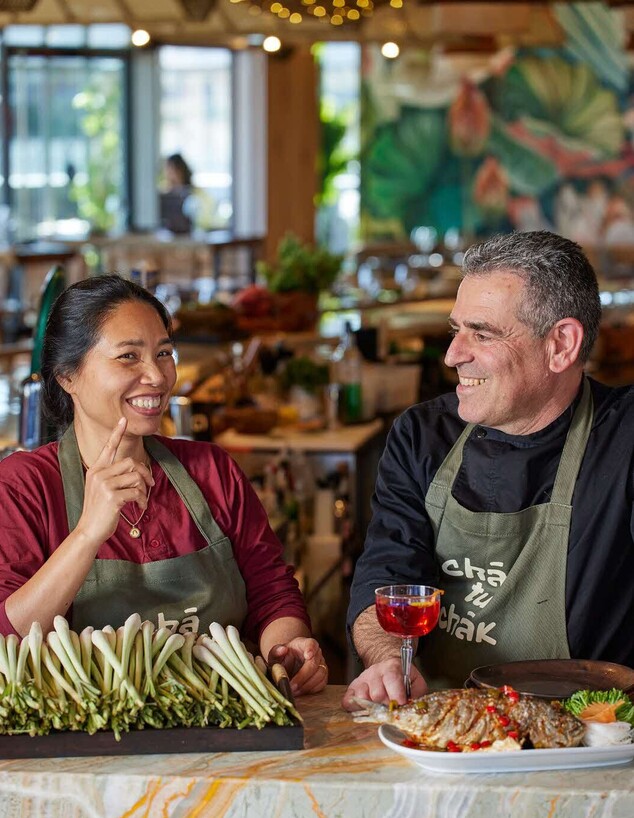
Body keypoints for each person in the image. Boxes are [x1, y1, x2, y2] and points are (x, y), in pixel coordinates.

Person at [343, 230, 634, 710]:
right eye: (457, 329)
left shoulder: (623, 440)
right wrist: (390, 660)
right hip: (441, 724)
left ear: (561, 344)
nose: (453, 354)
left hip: (592, 736)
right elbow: (387, 574)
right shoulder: (422, 435)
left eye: (482, 333)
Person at [0, 275, 327, 696]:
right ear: (67, 376)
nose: (156, 375)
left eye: (164, 353)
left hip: (224, 722)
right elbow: (8, 636)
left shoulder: (214, 472)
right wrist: (87, 534)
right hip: (88, 739)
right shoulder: (23, 487)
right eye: (128, 357)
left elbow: (272, 594)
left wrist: (287, 649)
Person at [160, 153, 214, 234]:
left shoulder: (196, 193)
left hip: (193, 235)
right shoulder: (164, 191)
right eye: (167, 169)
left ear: (180, 170)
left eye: (171, 169)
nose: (168, 173)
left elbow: (206, 219)